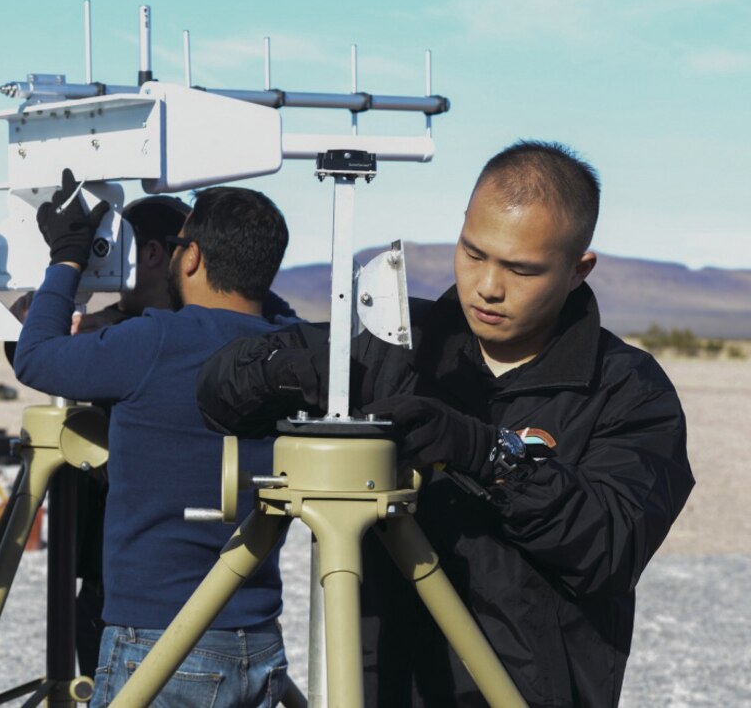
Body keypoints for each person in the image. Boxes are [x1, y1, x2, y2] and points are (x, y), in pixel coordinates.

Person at [197, 141, 695, 706]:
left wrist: (487, 455)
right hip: (385, 687)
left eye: (520, 269)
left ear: (578, 270)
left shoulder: (627, 389)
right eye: (474, 253)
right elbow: (218, 396)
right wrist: (276, 370)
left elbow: (608, 550)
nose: (487, 286)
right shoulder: (391, 342)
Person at [14, 171, 295, 707]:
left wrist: (67, 260)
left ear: (189, 259)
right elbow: (265, 310)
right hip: (257, 638)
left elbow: (34, 357)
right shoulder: (291, 348)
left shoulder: (153, 341)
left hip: (161, 640)